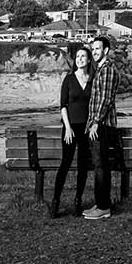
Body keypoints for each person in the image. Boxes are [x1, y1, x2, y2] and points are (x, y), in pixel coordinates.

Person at [49, 42, 92, 219]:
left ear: (89, 60)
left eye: (84, 56)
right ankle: (55, 201)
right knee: (65, 164)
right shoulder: (69, 79)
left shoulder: (93, 79)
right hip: (70, 128)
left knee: (83, 166)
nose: (80, 59)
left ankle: (77, 201)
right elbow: (63, 105)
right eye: (78, 56)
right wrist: (67, 127)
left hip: (87, 129)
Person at [80, 32, 119, 220]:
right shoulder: (100, 70)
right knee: (98, 165)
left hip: (101, 126)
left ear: (106, 50)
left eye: (98, 49)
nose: (94, 52)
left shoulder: (108, 70)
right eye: (93, 49)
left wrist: (96, 122)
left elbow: (106, 99)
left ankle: (103, 207)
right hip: (96, 125)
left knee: (101, 166)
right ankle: (101, 203)